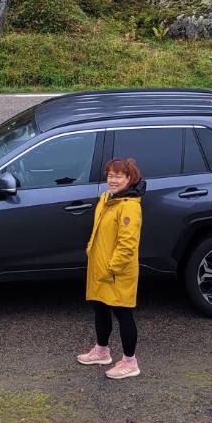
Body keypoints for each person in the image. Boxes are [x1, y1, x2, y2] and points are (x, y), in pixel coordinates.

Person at [77, 157, 144, 379]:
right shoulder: (107, 198)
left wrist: (112, 267)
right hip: (99, 268)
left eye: (118, 176)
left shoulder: (129, 207)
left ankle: (130, 362)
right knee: (100, 308)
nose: (112, 180)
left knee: (123, 314)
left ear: (129, 178)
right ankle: (102, 351)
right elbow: (96, 230)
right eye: (110, 175)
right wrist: (90, 250)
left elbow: (127, 245)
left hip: (116, 272)